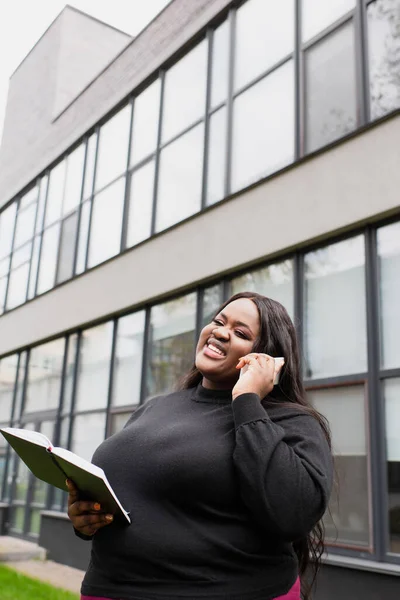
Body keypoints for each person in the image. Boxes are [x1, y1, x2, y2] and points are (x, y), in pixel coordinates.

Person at [67, 291, 333, 600]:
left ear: (264, 357)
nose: (220, 332)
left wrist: (247, 399)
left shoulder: (291, 421)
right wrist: (86, 517)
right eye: (219, 321)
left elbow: (295, 513)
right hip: (110, 589)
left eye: (240, 332)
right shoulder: (155, 408)